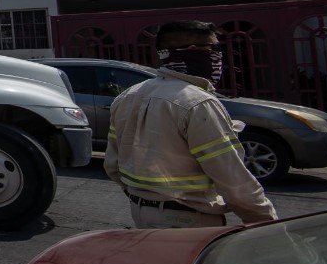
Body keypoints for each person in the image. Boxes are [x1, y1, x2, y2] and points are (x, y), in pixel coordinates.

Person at [104, 20, 277, 229]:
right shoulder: (198, 103)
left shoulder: (127, 97)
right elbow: (233, 180)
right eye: (215, 48)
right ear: (194, 51)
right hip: (189, 219)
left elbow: (113, 166)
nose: (218, 56)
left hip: (141, 213)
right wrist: (267, 224)